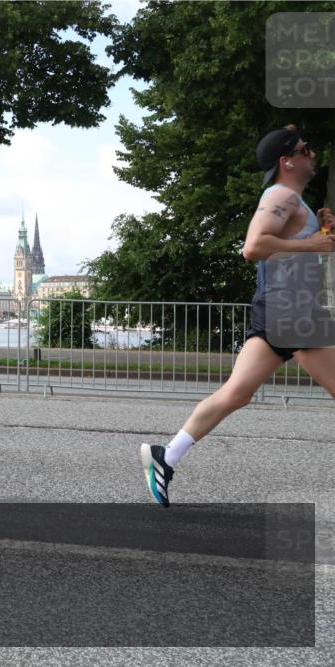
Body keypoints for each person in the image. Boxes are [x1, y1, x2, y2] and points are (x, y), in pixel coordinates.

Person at [141, 125, 335, 507]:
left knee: (236, 393)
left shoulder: (294, 200)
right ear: (287, 160)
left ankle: (167, 456)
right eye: (304, 148)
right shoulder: (281, 194)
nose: (311, 153)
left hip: (279, 307)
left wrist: (322, 230)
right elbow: (253, 246)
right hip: (292, 310)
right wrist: (314, 241)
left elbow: (296, 248)